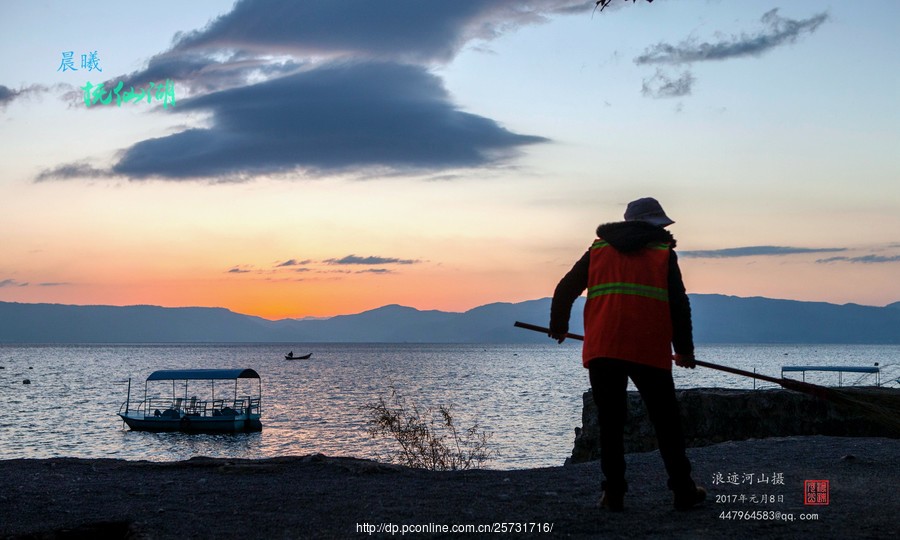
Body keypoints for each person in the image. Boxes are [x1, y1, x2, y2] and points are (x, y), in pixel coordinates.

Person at [549, 197, 705, 512]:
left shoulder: (598, 251)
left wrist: (559, 326)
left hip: (604, 347)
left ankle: (613, 494)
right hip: (647, 348)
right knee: (666, 421)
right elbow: (678, 304)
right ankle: (683, 490)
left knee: (610, 422)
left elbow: (565, 288)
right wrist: (684, 351)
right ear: (654, 225)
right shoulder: (663, 255)